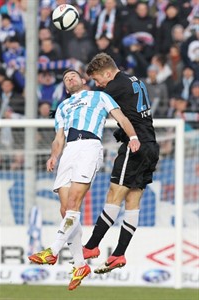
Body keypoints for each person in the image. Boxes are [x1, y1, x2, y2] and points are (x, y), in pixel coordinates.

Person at [28, 69, 141, 290]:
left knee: (73, 206)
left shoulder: (99, 97)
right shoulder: (62, 107)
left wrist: (134, 136)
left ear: (82, 80)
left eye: (72, 76)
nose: (69, 79)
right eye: (65, 79)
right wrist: (54, 155)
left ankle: (52, 251)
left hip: (89, 147)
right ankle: (80, 265)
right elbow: (59, 138)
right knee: (65, 210)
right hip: (68, 151)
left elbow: (121, 117)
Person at [82, 52, 159, 274]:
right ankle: (118, 254)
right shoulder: (134, 81)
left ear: (108, 72)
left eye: (98, 79)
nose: (99, 84)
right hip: (151, 145)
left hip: (136, 147)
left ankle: (91, 246)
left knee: (114, 195)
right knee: (133, 201)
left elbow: (93, 100)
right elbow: (135, 112)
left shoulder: (115, 85)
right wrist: (120, 132)